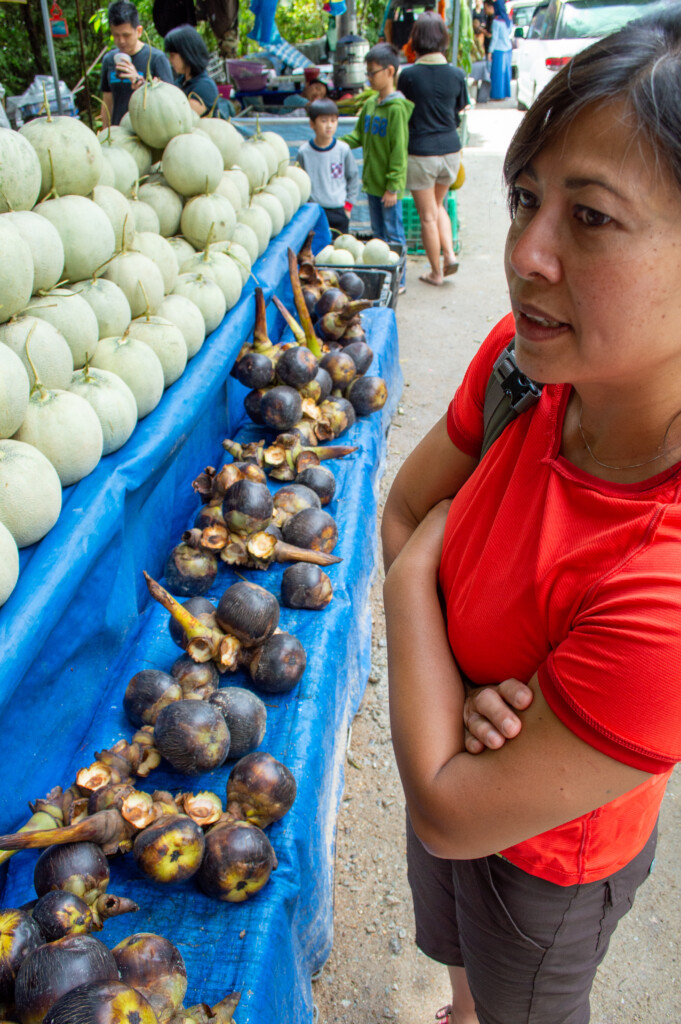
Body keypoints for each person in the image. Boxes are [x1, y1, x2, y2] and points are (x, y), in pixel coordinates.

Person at [382, 8, 681, 1024]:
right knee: (465, 971)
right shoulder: (526, 366)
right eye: (523, 199)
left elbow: (452, 807)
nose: (526, 253)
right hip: (455, 770)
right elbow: (402, 506)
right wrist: (456, 700)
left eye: (590, 216)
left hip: (551, 862)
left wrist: (416, 577)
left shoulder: (667, 576)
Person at [398, 12, 468, 286]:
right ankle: (449, 254)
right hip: (451, 152)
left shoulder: (409, 76)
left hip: (421, 153)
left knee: (427, 215)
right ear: (442, 38)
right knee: (439, 206)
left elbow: (403, 112)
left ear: (416, 40)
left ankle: (436, 273)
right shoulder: (457, 75)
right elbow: (458, 110)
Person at [343, 43, 413, 293]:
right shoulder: (371, 105)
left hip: (388, 188)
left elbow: (398, 151)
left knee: (393, 235)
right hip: (372, 184)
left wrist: (393, 186)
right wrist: (332, 144)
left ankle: (399, 279)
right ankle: (384, 276)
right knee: (378, 236)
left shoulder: (396, 109)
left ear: (390, 71)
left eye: (373, 72)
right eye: (368, 73)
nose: (369, 78)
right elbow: (357, 137)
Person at [100, 0, 174, 127]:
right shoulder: (109, 60)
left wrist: (139, 82)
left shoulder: (156, 59)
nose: (121, 41)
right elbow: (107, 100)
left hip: (149, 134)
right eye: (116, 35)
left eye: (126, 35)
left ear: (139, 31)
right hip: (120, 133)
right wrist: (106, 132)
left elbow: (170, 101)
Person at [296, 98, 360, 236]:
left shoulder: (343, 150)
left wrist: (348, 206)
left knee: (339, 252)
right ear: (312, 123)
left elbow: (353, 177)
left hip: (339, 210)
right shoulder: (304, 152)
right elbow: (299, 182)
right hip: (314, 211)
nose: (329, 125)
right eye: (324, 121)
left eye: (333, 120)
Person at [164, 24, 218, 116]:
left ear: (186, 55)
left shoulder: (205, 87)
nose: (170, 60)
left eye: (172, 55)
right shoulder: (181, 82)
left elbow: (181, 119)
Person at [488, 0, 512, 99]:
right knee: (505, 74)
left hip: (499, 50)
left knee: (497, 74)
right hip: (508, 49)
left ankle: (497, 95)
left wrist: (490, 51)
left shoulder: (496, 21)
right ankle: (505, 94)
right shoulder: (508, 20)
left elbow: (495, 38)